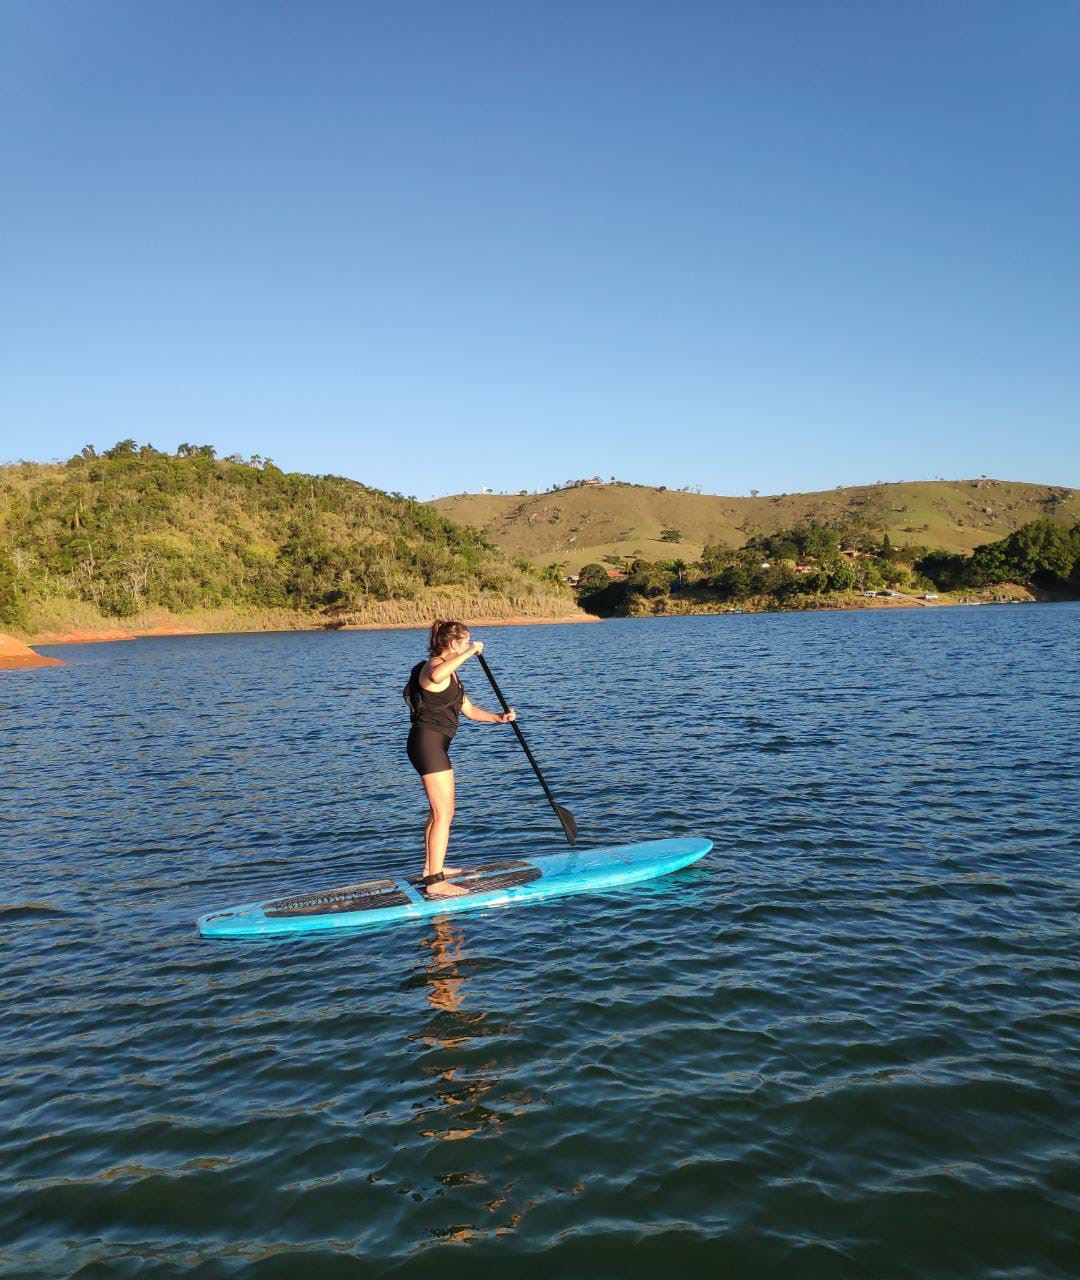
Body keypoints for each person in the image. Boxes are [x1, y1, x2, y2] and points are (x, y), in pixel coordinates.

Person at [407, 620, 516, 898]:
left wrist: (498, 718)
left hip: (436, 743)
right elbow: (435, 676)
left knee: (439, 811)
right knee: (445, 813)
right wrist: (470, 653)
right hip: (427, 743)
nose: (470, 646)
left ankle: (431, 868)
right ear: (453, 644)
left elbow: (469, 709)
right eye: (465, 642)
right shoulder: (431, 667)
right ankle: (435, 882)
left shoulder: (453, 676)